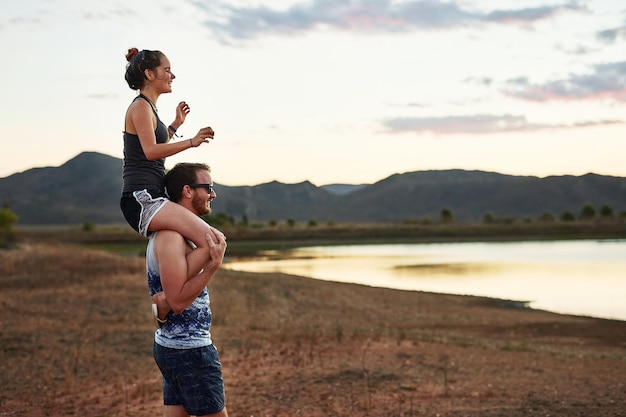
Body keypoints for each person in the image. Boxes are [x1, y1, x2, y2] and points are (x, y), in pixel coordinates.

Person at [120, 47, 221, 280]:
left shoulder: (148, 107)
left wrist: (175, 124)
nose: (172, 76)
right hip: (142, 199)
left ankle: (169, 294)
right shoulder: (140, 107)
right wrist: (192, 142)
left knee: (203, 243)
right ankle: (168, 297)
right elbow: (151, 151)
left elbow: (157, 140)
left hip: (153, 195)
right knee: (213, 240)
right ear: (149, 74)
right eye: (166, 70)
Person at [148, 162, 229, 417]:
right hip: (189, 351)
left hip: (176, 349)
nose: (212, 194)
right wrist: (212, 267)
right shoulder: (171, 236)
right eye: (208, 187)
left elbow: (167, 300)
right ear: (188, 191)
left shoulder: (178, 235)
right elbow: (178, 301)